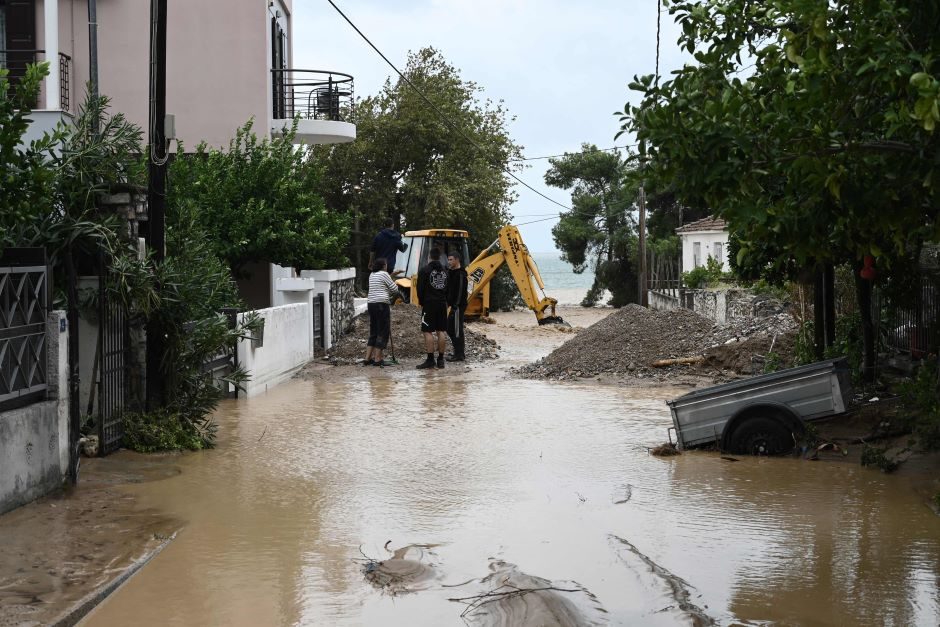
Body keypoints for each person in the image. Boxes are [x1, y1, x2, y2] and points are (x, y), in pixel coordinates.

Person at [416, 247, 448, 369]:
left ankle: (430, 360)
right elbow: (448, 288)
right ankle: (441, 359)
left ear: (429, 257)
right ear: (440, 257)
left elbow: (420, 289)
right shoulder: (445, 271)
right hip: (441, 303)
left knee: (427, 331)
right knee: (441, 331)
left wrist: (422, 301)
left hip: (429, 303)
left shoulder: (425, 270)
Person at [364, 257, 400, 367]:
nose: (387, 266)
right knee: (383, 331)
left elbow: (382, 284)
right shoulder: (384, 274)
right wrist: (393, 281)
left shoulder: (372, 275)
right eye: (386, 264)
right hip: (381, 305)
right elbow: (395, 289)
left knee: (374, 331)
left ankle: (367, 358)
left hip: (371, 304)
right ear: (383, 266)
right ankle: (378, 359)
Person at [445, 250, 469, 361]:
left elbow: (460, 292)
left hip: (458, 306)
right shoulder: (451, 272)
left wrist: (455, 306)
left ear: (457, 260)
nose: (448, 262)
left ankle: (459, 354)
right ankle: (457, 352)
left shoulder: (461, 274)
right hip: (453, 305)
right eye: (448, 259)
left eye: (451, 260)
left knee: (457, 329)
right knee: (450, 328)